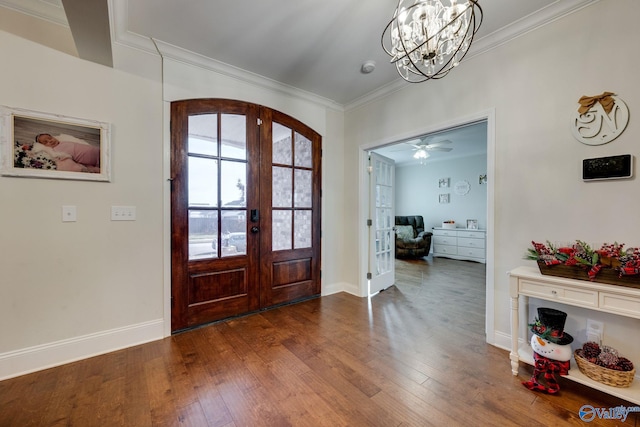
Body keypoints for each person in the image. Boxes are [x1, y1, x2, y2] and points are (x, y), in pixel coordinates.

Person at [33, 133, 100, 173]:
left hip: (95, 150)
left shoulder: (64, 141)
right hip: (91, 159)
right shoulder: (55, 151)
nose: (50, 141)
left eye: (50, 138)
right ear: (43, 145)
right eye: (45, 142)